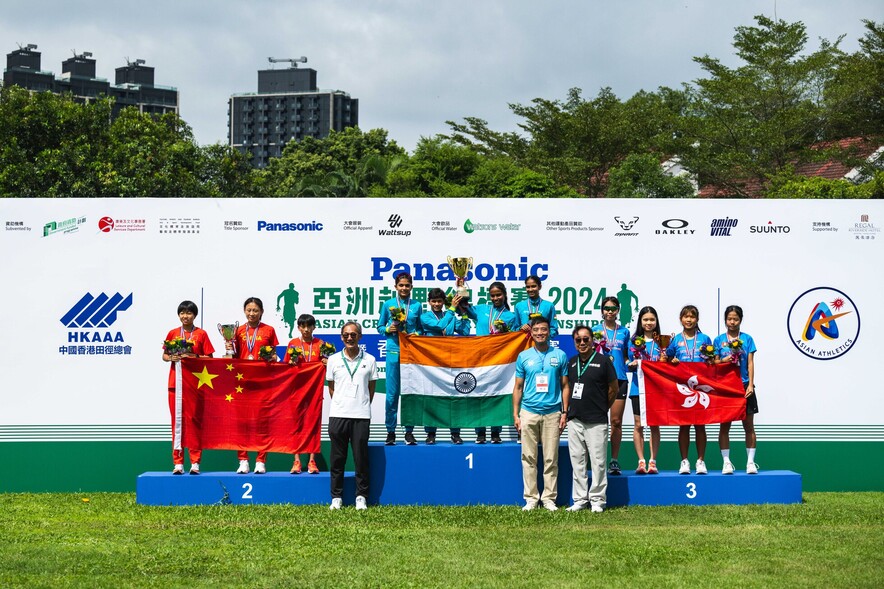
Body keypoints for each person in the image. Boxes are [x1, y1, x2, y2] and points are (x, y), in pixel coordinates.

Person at [513, 316, 570, 511]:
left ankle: (549, 498)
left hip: (553, 412)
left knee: (550, 458)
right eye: (536, 330)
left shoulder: (560, 355)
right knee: (528, 457)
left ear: (549, 331)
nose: (540, 333)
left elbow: (565, 386)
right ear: (531, 332)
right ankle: (531, 498)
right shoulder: (523, 356)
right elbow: (518, 387)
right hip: (529, 412)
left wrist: (564, 412)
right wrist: (516, 414)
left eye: (543, 330)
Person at [566, 325, 619, 512]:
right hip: (575, 419)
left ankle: (597, 499)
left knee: (598, 461)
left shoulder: (604, 361)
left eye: (586, 339)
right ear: (574, 342)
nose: (582, 343)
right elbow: (567, 389)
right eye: (578, 340)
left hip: (596, 420)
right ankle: (580, 499)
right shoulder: (571, 362)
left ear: (592, 340)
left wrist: (603, 407)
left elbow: (614, 388)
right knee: (577, 460)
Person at [326, 321, 377, 511]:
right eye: (346, 335)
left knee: (361, 458)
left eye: (353, 335)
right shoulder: (333, 360)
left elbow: (370, 389)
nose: (349, 338)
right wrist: (343, 404)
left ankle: (361, 496)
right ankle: (336, 497)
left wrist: (360, 404)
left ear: (360, 337)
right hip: (338, 415)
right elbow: (332, 388)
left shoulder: (369, 360)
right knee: (337, 458)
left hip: (361, 416)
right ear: (341, 337)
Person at [227, 297, 279, 474]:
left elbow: (273, 355)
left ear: (261, 312)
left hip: (262, 383)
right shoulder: (237, 331)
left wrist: (273, 358)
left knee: (261, 423)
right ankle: (243, 460)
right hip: (242, 383)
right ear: (244, 311)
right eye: (249, 310)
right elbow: (232, 357)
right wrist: (228, 347)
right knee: (242, 424)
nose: (252, 313)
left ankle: (260, 460)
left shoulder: (269, 330)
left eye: (255, 310)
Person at [162, 300, 215, 475]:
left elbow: (209, 358)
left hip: (195, 385)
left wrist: (193, 356)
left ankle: (195, 463)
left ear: (195, 315)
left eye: (189, 313)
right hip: (175, 385)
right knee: (176, 424)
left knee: (194, 423)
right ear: (179, 315)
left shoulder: (201, 334)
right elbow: (164, 355)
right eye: (182, 313)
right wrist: (172, 358)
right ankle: (178, 463)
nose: (186, 316)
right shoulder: (173, 333)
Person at [665, 305, 713, 475]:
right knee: (684, 426)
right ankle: (684, 461)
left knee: (700, 426)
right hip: (682, 389)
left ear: (697, 319)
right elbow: (667, 358)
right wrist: (672, 360)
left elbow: (711, 361)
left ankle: (700, 461)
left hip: (700, 388)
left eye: (692, 317)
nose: (689, 319)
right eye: (685, 316)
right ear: (681, 319)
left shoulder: (705, 339)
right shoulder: (675, 339)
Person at [378, 272, 423, 445]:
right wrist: (388, 329)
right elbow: (379, 326)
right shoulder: (388, 304)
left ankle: (409, 431)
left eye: (407, 285)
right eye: (401, 285)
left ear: (412, 287)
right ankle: (390, 431)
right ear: (395, 286)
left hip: (411, 353)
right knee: (391, 395)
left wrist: (417, 334)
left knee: (409, 393)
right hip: (393, 351)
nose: (404, 288)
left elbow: (421, 328)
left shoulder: (417, 306)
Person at [471, 281, 519, 443]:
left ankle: (495, 432)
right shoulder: (482, 309)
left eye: (498, 295)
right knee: (479, 394)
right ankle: (480, 432)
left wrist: (507, 332)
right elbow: (462, 308)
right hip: (480, 359)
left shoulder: (511, 316)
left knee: (496, 394)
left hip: (498, 361)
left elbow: (514, 338)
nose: (496, 298)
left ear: (505, 295)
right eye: (493, 295)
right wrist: (460, 285)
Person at [714, 305, 759, 474]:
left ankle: (750, 463)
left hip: (744, 386)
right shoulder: (718, 340)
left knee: (749, 427)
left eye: (735, 319)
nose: (732, 322)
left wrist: (750, 385)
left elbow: (750, 362)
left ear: (741, 320)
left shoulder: (747, 339)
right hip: (726, 388)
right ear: (725, 320)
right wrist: (726, 358)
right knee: (724, 427)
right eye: (729, 319)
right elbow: (715, 363)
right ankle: (726, 462)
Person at [420, 288, 469, 444]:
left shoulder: (451, 315)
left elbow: (466, 332)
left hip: (450, 361)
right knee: (431, 397)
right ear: (429, 302)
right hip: (431, 363)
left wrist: (463, 313)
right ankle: (430, 433)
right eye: (433, 301)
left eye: (439, 301)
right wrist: (452, 309)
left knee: (452, 396)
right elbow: (440, 325)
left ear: (443, 302)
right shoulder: (425, 317)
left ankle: (455, 432)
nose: (436, 304)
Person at [283, 313, 327, 474]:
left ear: (314, 327)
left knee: (313, 425)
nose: (306, 329)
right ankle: (296, 461)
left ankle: (312, 461)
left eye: (309, 326)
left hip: (314, 391)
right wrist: (291, 363)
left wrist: (326, 362)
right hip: (296, 391)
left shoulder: (321, 344)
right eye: (303, 326)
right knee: (296, 424)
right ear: (299, 327)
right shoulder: (293, 343)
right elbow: (286, 367)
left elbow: (328, 368)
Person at [592, 296, 630, 475]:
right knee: (598, 422)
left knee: (616, 421)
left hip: (619, 379)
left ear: (618, 310)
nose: (609, 311)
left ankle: (614, 460)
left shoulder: (625, 332)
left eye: (613, 308)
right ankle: (597, 460)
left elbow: (627, 355)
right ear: (602, 310)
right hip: (599, 380)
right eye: (606, 308)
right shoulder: (594, 331)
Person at [626, 306, 665, 474]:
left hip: (656, 388)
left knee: (655, 425)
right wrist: (631, 363)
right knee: (638, 425)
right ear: (640, 322)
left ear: (656, 322)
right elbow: (628, 360)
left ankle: (653, 461)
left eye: (652, 319)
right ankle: (641, 461)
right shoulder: (633, 341)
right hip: (637, 387)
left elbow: (667, 363)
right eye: (645, 320)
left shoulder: (661, 341)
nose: (649, 323)